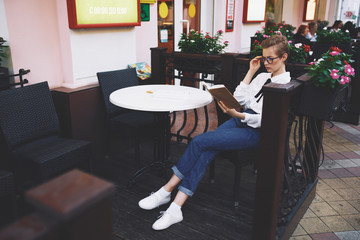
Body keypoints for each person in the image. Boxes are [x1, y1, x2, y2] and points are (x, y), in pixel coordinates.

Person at [138, 35, 291, 231]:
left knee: (199, 142)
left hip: (256, 130)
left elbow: (266, 120)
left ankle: (166, 190)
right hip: (239, 120)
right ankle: (176, 207)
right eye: (264, 59)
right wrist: (252, 71)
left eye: (271, 59)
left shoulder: (285, 85)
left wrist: (241, 116)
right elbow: (239, 98)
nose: (266, 63)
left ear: (284, 57)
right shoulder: (262, 76)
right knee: (207, 149)